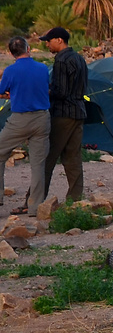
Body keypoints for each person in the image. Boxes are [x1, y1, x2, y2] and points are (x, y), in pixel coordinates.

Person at [0, 36, 51, 213]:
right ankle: (35, 207)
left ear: (11, 53)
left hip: (20, 119)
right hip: (42, 118)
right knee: (38, 164)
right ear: (28, 49)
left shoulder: (10, 71)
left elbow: (2, 90)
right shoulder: (43, 68)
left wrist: (11, 94)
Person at [41, 26, 87, 206]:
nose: (47, 44)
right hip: (79, 111)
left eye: (49, 40)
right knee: (73, 157)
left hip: (63, 113)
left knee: (48, 156)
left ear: (59, 40)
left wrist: (45, 91)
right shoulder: (79, 58)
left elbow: (60, 91)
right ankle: (75, 199)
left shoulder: (61, 60)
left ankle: (35, 199)